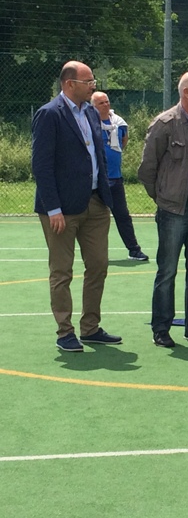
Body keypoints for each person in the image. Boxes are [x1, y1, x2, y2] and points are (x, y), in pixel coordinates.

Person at [32, 61, 120, 352]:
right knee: (62, 272)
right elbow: (41, 166)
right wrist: (53, 208)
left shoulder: (92, 112)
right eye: (88, 81)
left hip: (95, 203)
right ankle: (64, 331)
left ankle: (90, 328)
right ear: (70, 84)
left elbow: (99, 156)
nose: (93, 85)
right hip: (62, 210)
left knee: (98, 266)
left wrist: (105, 195)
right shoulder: (49, 114)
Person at [138, 71, 188, 348]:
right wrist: (163, 199)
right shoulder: (164, 124)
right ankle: (161, 328)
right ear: (187, 93)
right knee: (167, 271)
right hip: (174, 210)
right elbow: (147, 169)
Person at [92, 91, 149, 261]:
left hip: (115, 178)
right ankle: (95, 253)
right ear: (93, 106)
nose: (106, 105)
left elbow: (124, 140)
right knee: (95, 219)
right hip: (96, 180)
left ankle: (134, 250)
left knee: (123, 215)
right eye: (101, 103)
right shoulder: (89, 123)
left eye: (107, 101)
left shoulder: (118, 123)